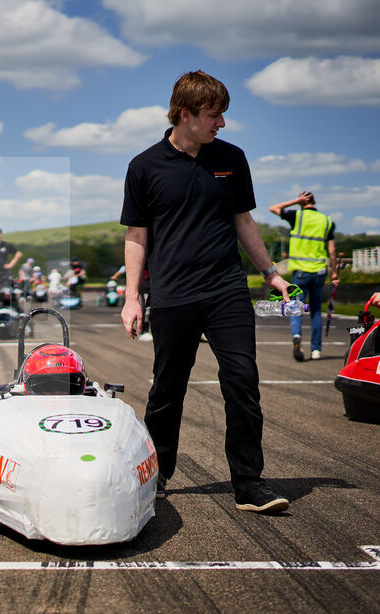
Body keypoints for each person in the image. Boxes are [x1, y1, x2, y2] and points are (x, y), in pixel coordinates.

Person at [119, 70, 293, 514]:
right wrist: (132, 297)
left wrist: (271, 273)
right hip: (174, 293)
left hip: (226, 289)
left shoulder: (231, 158)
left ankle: (250, 484)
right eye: (214, 115)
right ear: (185, 114)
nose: (221, 123)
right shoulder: (144, 166)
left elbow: (244, 222)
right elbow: (136, 236)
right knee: (168, 389)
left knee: (242, 380)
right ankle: (156, 475)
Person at [268, 191, 338, 361]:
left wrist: (295, 201)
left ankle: (297, 335)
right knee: (315, 311)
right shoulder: (326, 221)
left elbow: (273, 208)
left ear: (302, 202)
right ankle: (316, 350)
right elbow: (332, 250)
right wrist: (335, 271)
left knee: (295, 306)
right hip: (320, 271)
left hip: (300, 271)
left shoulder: (297, 216)